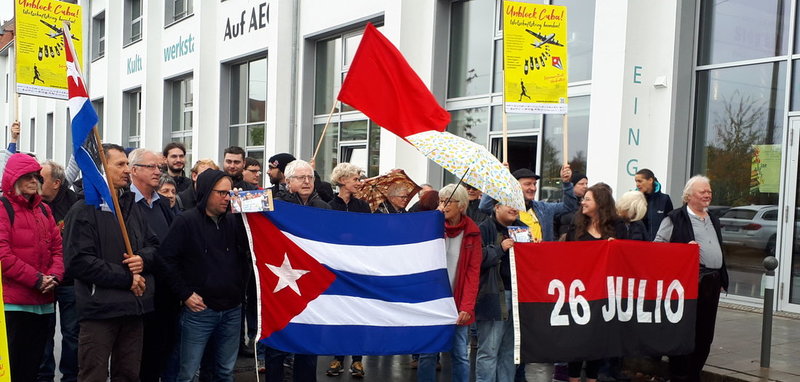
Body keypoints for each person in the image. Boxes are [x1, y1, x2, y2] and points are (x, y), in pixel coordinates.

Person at [63, 143, 159, 382]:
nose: (127, 169)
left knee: (128, 374)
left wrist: (142, 260)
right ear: (101, 169)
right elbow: (79, 262)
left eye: (127, 163)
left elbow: (155, 247)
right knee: (93, 375)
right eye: (120, 164)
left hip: (134, 307)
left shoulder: (131, 208)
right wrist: (127, 278)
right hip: (100, 310)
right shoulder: (83, 209)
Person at [160, 169, 251, 382]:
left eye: (229, 193)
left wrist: (242, 212)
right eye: (221, 193)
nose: (226, 198)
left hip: (232, 309)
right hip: (199, 312)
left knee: (225, 372)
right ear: (206, 192)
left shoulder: (233, 221)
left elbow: (251, 249)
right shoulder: (186, 221)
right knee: (188, 374)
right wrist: (185, 294)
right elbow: (165, 259)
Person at [654, 175, 728, 382]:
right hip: (688, 283)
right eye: (703, 191)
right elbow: (657, 249)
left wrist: (722, 277)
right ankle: (679, 375)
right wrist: (682, 251)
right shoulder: (674, 218)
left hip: (711, 284)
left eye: (709, 191)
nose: (708, 194)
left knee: (705, 334)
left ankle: (693, 375)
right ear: (688, 196)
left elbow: (718, 248)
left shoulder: (712, 218)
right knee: (684, 332)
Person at [0, 153, 64, 382]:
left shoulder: (44, 211)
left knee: (32, 368)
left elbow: (58, 250)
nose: (33, 181)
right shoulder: (2, 208)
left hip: (42, 303)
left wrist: (54, 276)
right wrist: (36, 279)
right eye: (26, 176)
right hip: (13, 306)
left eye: (36, 176)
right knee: (11, 370)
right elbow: (3, 255)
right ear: (13, 178)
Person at [266, 160, 325, 382]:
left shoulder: (323, 208)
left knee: (308, 346)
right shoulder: (275, 204)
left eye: (310, 177)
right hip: (279, 281)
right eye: (301, 178)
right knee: (277, 344)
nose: (307, 181)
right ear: (288, 181)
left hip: (310, 283)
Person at [563, 184, 627, 382]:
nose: (582, 202)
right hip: (580, 292)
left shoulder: (618, 228)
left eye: (587, 199)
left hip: (605, 292)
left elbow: (627, 256)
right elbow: (566, 256)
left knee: (599, 339)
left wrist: (614, 249)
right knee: (577, 339)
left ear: (600, 203)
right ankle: (573, 378)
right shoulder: (577, 226)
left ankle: (592, 378)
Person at [418, 184, 481, 382]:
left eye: (448, 201)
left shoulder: (472, 231)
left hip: (458, 303)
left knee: (460, 355)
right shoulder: (431, 227)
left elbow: (473, 272)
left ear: (461, 206)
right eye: (441, 201)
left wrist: (467, 307)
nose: (443, 205)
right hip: (433, 302)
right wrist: (431, 225)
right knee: (427, 354)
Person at [37, 160, 81, 382]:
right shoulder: (32, 204)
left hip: (70, 282)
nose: (35, 182)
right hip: (42, 281)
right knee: (44, 334)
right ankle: (44, 376)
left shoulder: (75, 204)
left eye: (40, 179)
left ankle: (70, 376)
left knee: (72, 334)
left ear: (56, 183)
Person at [476, 203, 523, 382]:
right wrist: (500, 248)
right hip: (493, 297)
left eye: (517, 205)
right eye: (509, 204)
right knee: (489, 350)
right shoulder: (483, 228)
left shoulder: (521, 229)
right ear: (496, 207)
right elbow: (477, 260)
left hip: (519, 297)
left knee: (510, 352)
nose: (514, 208)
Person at [635, 169, 674, 241]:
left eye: (640, 181)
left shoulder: (664, 199)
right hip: (638, 246)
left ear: (650, 180)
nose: (637, 184)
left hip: (658, 246)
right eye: (636, 181)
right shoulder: (634, 200)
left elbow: (670, 224)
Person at [554, 173, 588, 239]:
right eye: (581, 184)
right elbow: (553, 224)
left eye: (586, 183)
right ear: (572, 185)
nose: (585, 186)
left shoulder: (586, 204)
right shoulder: (560, 202)